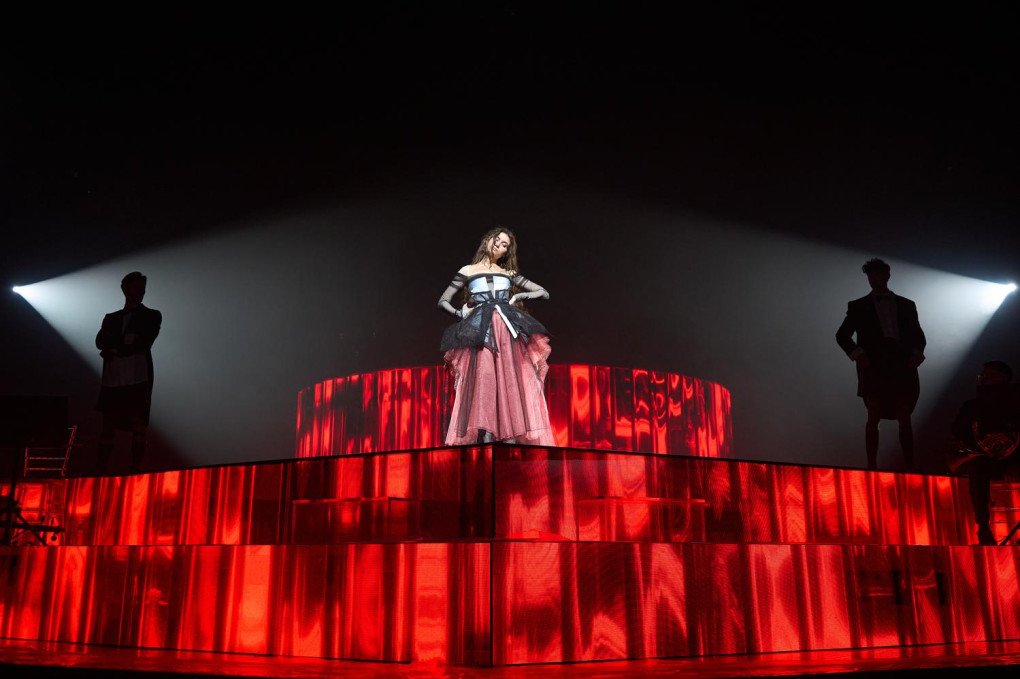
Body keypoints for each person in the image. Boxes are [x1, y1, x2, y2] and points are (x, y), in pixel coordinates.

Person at [438, 228, 554, 445]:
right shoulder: (468, 270)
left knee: (509, 378)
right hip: (482, 331)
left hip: (506, 328)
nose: (499, 245)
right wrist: (459, 313)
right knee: (486, 378)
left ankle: (508, 434)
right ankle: (488, 434)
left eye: (505, 245)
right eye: (497, 240)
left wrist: (520, 294)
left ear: (506, 252)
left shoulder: (508, 273)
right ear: (488, 240)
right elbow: (443, 300)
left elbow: (543, 292)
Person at [836, 258, 926, 470]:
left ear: (887, 276)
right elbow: (842, 335)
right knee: (874, 412)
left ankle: (909, 465)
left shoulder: (907, 305)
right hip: (875, 364)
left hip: (900, 362)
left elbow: (918, 335)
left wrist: (916, 354)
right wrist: (859, 355)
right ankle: (872, 465)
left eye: (877, 275)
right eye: (870, 276)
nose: (873, 279)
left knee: (904, 413)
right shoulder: (858, 306)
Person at [95, 272, 162, 473]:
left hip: (137, 376)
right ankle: (101, 468)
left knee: (137, 421)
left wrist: (115, 346)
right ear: (126, 289)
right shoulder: (112, 318)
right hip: (113, 377)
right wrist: (121, 344)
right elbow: (100, 342)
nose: (140, 292)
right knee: (108, 422)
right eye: (137, 287)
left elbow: (143, 341)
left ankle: (135, 468)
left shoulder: (151, 315)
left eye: (142, 288)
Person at [950, 361, 1020, 545]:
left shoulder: (1016, 401)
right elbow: (958, 430)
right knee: (977, 469)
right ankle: (983, 528)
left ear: (1002, 378)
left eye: (989, 374)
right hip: (986, 457)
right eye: (983, 375)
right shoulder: (971, 406)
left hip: (1013, 455)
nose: (983, 378)